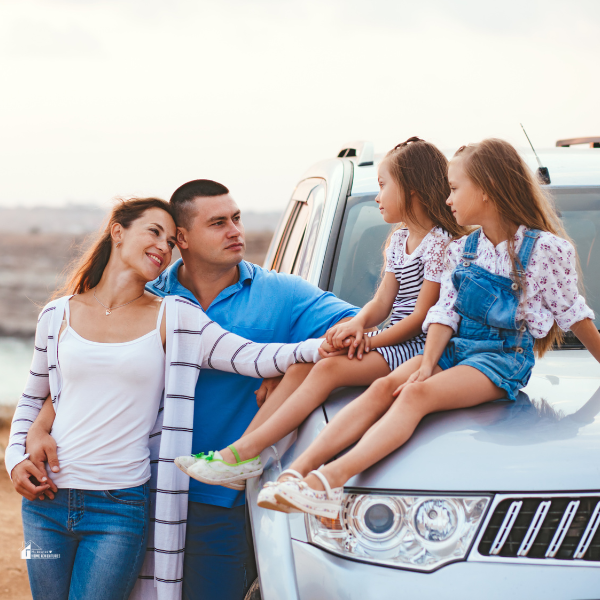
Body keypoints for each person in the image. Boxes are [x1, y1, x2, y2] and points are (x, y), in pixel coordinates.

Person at [5, 198, 336, 600]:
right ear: (118, 232)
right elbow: (34, 396)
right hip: (45, 505)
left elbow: (253, 355)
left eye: (170, 240)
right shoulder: (57, 314)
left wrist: (316, 351)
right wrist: (16, 458)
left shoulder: (176, 316)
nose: (164, 247)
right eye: (154, 233)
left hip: (119, 507)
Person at [257, 138, 600, 518]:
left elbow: (575, 317)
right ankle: (295, 475)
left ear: (485, 190)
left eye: (455, 188)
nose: (448, 200)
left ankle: (328, 482)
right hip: (454, 350)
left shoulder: (545, 249)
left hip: (499, 360)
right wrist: (426, 363)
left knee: (414, 397)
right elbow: (443, 314)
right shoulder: (463, 248)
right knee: (385, 387)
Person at [177, 138, 469, 494]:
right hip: (394, 338)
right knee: (303, 364)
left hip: (421, 346)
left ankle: (243, 454)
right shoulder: (398, 240)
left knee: (329, 366)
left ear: (410, 190)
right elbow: (381, 303)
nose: (378, 196)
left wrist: (371, 339)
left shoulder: (441, 243)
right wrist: (356, 325)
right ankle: (244, 455)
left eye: (383, 186)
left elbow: (422, 316)